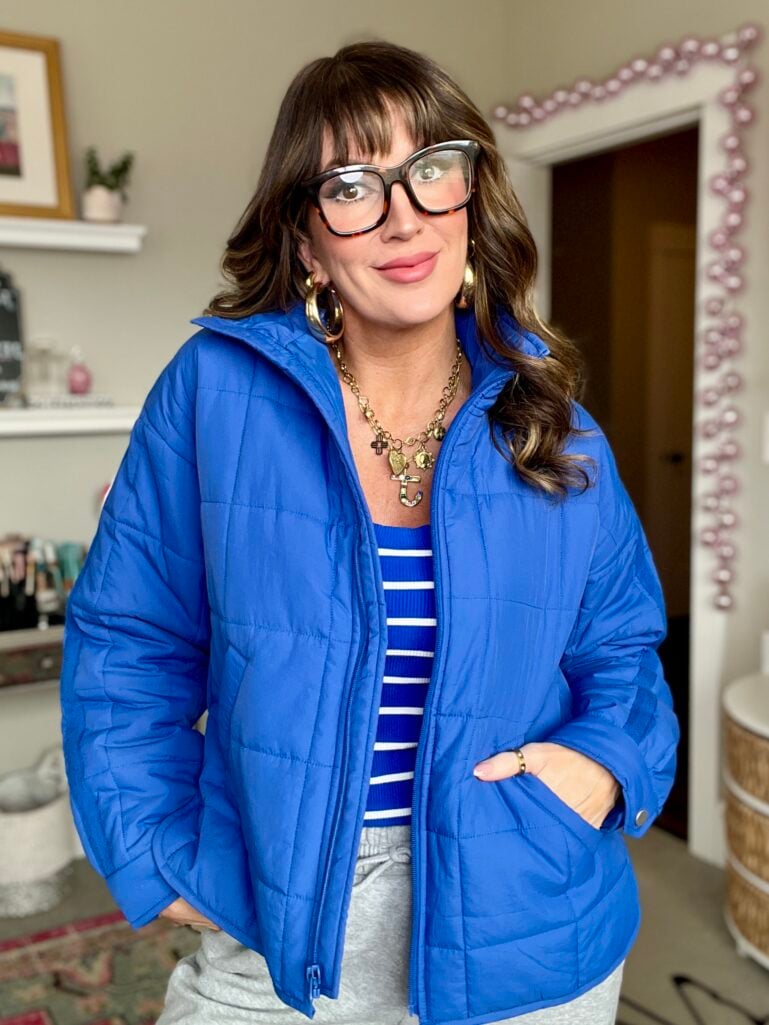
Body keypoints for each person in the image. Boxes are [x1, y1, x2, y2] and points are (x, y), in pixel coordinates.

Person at [60, 38, 680, 1025]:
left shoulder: (556, 427)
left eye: (431, 169)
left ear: (470, 201)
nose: (402, 215)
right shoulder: (214, 395)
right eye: (352, 185)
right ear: (307, 239)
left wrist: (600, 767)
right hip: (279, 907)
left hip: (528, 914)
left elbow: (621, 648)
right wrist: (152, 843)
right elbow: (128, 642)